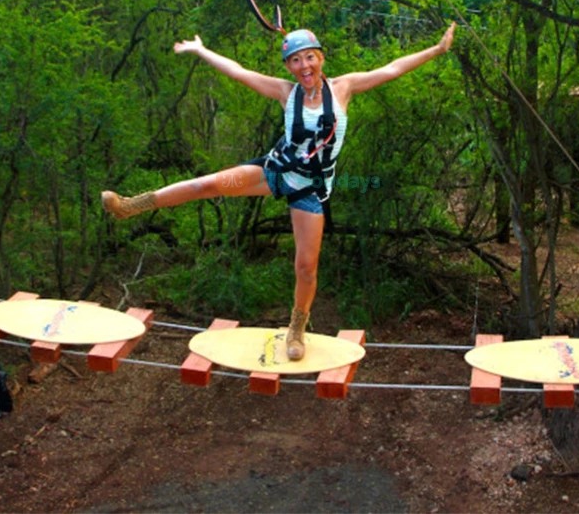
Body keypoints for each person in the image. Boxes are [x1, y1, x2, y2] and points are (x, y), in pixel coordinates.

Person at [102, 23, 457, 360]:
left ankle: (297, 329)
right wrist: (202, 50)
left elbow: (392, 69)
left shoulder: (344, 88)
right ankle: (131, 206)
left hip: (310, 191)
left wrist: (438, 49)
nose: (304, 66)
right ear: (289, 67)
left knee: (305, 267)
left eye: (309, 57)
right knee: (205, 184)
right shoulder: (285, 92)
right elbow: (239, 72)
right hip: (274, 173)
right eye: (296, 60)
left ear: (321, 58)